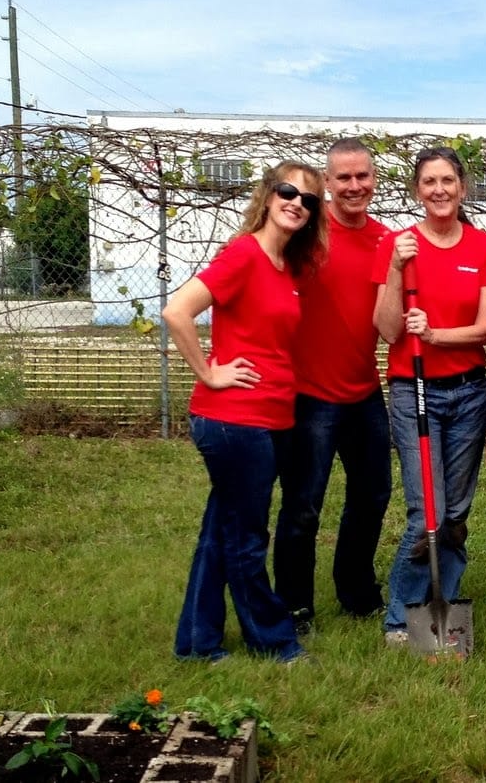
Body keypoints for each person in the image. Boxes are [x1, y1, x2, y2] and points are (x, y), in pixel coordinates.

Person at [163, 161, 328, 664]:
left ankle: (197, 643)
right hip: (235, 421)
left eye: (308, 199)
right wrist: (210, 372)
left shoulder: (285, 266)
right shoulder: (244, 256)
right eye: (287, 191)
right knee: (246, 537)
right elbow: (177, 311)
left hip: (269, 419)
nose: (297, 202)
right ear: (266, 195)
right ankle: (274, 641)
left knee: (222, 531)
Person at [372, 146, 486, 645]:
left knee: (454, 515)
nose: (440, 190)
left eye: (448, 180)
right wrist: (396, 270)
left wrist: (435, 335)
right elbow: (387, 330)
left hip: (468, 393)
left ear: (462, 188)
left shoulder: (483, 247)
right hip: (414, 392)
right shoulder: (401, 246)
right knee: (425, 512)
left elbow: (485, 329)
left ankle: (440, 606)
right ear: (417, 191)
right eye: (430, 182)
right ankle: (401, 617)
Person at [274, 138, 391, 631]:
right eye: (342, 178)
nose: (353, 186)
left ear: (374, 179)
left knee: (373, 495)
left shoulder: (386, 240)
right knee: (304, 505)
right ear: (327, 183)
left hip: (364, 391)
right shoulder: (306, 236)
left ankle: (356, 590)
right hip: (310, 395)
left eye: (361, 176)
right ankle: (294, 605)